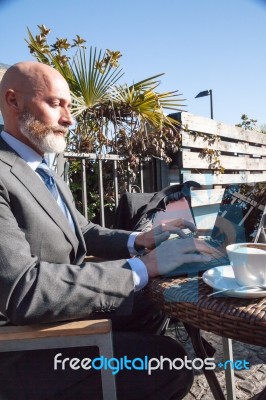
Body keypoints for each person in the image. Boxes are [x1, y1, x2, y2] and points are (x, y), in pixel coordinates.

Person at [0, 62, 217, 400]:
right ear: (13, 102)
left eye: (69, 106)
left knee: (154, 301)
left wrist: (139, 240)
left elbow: (82, 230)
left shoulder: (45, 167)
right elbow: (22, 291)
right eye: (56, 104)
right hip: (23, 346)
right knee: (170, 363)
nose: (69, 118)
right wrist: (144, 266)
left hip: (55, 315)